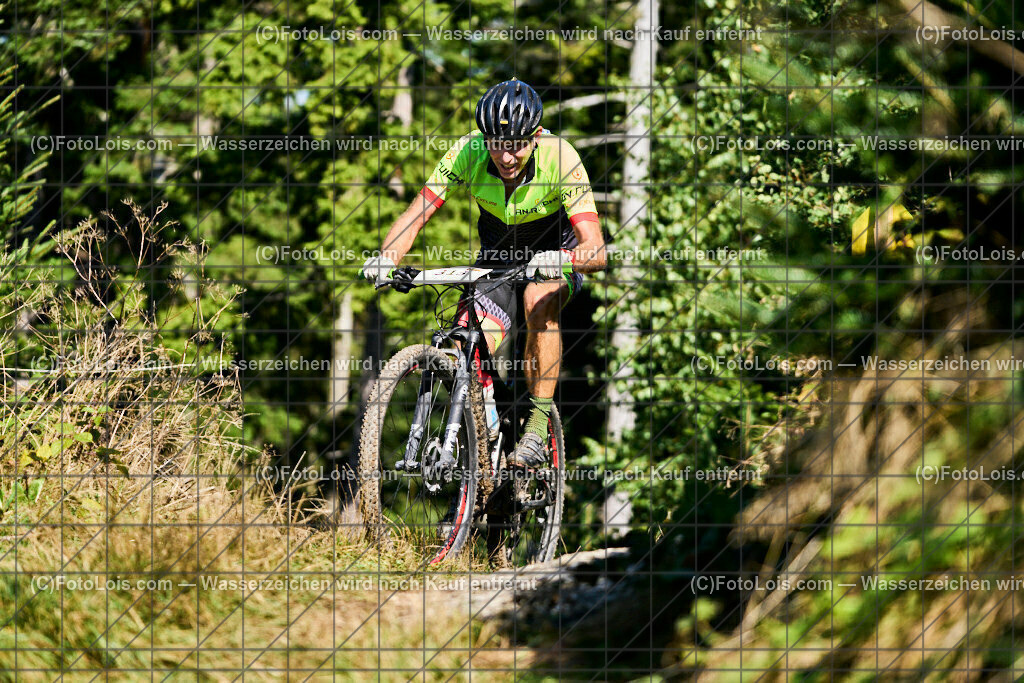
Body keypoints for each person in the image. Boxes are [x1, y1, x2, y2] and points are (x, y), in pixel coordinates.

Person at [361, 78, 606, 467]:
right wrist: (387, 258)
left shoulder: (561, 155)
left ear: (536, 136)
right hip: (498, 259)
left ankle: (537, 429)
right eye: (496, 144)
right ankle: (478, 461)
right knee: (465, 345)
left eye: (517, 146)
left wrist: (561, 260)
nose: (506, 157)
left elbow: (595, 248)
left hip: (557, 256)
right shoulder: (468, 150)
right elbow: (417, 214)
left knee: (536, 299)